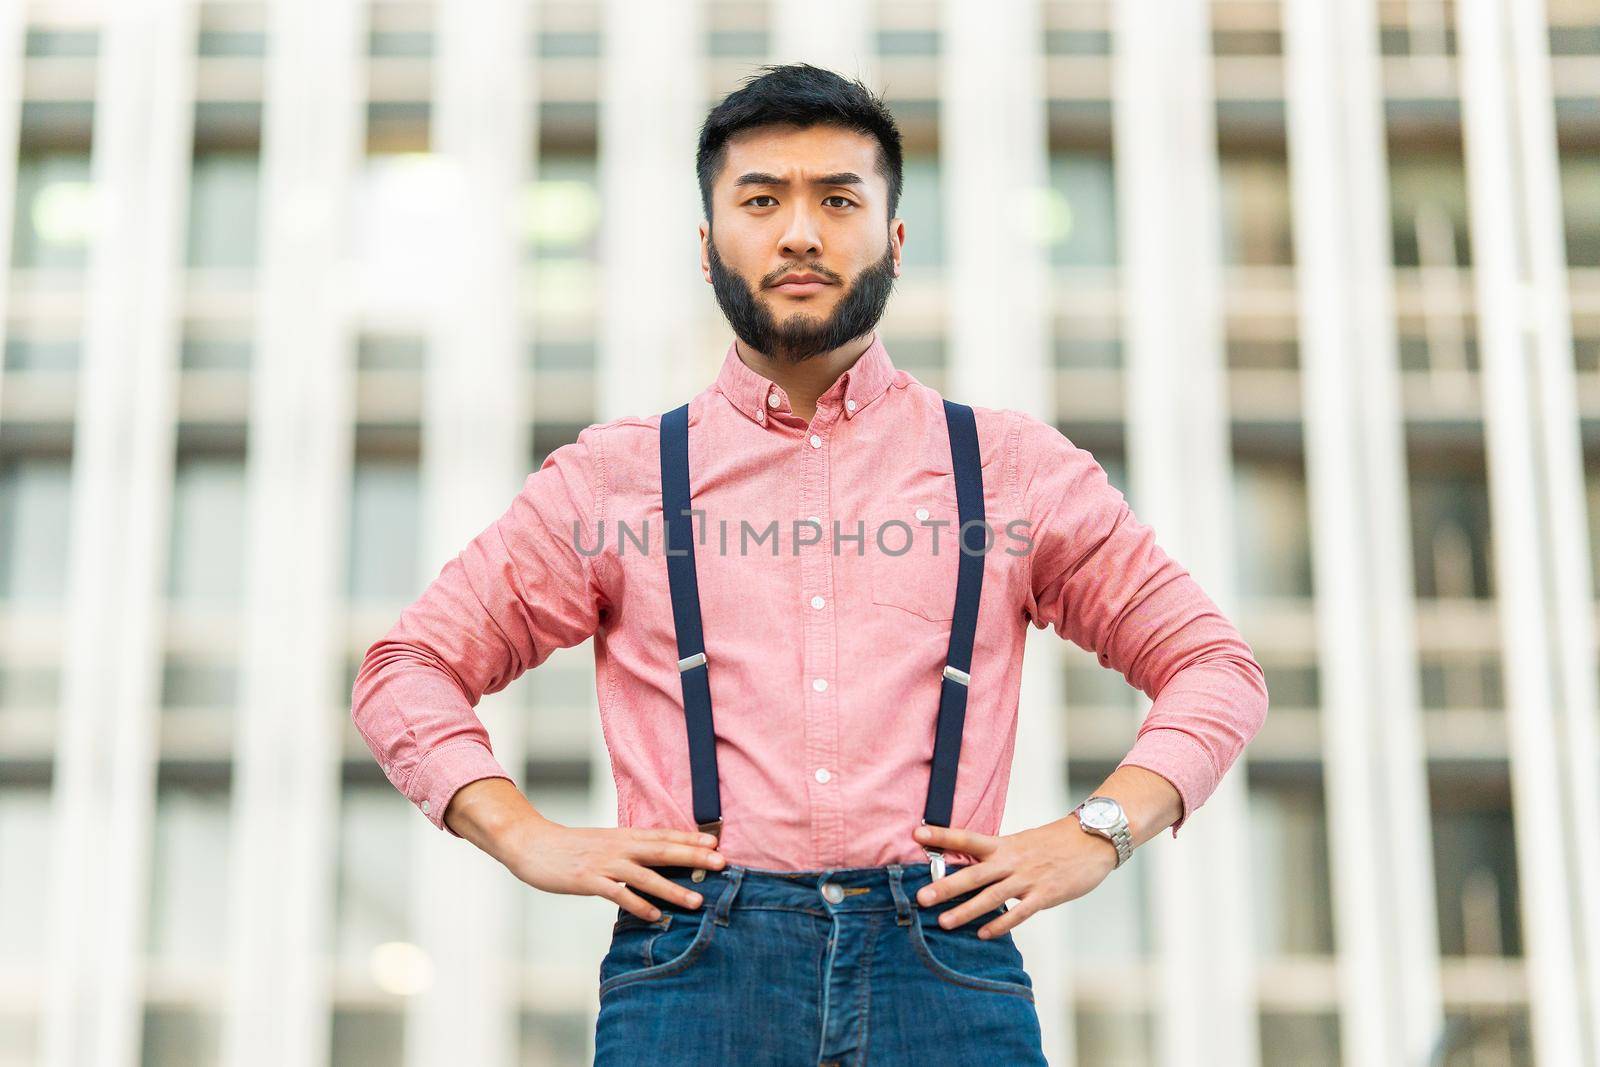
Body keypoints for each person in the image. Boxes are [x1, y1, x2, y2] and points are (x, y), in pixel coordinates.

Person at [351, 62, 1269, 1066]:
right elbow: (410, 669)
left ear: (895, 240)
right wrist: (526, 834)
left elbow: (1214, 667)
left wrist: (1098, 830)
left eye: (838, 199)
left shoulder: (1009, 468)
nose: (799, 232)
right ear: (707, 250)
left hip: (945, 964)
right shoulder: (613, 479)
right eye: (761, 200)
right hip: (695, 971)